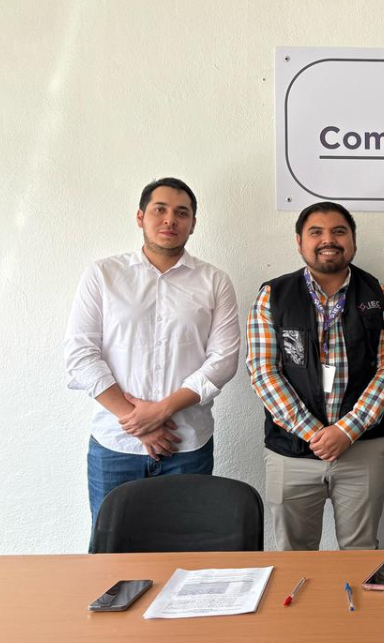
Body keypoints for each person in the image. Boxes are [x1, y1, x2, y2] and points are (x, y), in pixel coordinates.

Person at [65, 177, 240, 528]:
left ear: (193, 223)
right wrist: (136, 421)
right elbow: (80, 354)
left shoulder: (214, 281)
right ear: (140, 216)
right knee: (112, 552)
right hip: (115, 446)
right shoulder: (103, 274)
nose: (170, 220)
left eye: (182, 213)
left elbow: (223, 361)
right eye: (160, 209)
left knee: (186, 550)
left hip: (187, 445)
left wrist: (161, 411)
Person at [246, 201, 384, 550]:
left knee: (360, 552)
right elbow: (263, 371)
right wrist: (314, 433)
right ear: (299, 241)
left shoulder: (382, 296)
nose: (328, 240)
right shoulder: (273, 296)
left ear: (353, 240)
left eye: (339, 231)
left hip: (363, 447)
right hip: (292, 451)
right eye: (316, 232)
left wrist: (346, 431)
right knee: (294, 555)